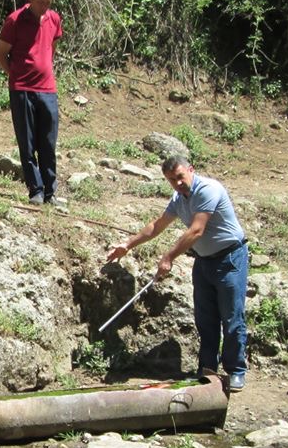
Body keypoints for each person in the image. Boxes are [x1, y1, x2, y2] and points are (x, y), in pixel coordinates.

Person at [104, 152, 249, 391]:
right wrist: (128, 244)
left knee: (232, 317)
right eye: (172, 179)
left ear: (191, 170)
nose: (178, 182)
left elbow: (196, 230)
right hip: (203, 261)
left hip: (230, 259)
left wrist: (169, 257)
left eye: (180, 176)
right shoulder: (178, 199)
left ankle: (236, 371)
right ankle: (207, 371)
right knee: (205, 320)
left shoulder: (208, 189)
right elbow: (157, 225)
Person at [0, 0, 63, 205]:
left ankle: (51, 192)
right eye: (41, 2)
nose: (45, 7)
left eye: (48, 2)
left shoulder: (54, 19)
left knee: (48, 143)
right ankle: (36, 190)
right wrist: (15, 75)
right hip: (22, 89)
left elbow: (51, 48)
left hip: (47, 89)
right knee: (28, 143)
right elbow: (0, 55)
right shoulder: (15, 20)